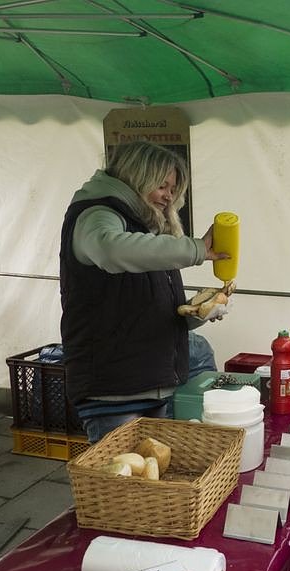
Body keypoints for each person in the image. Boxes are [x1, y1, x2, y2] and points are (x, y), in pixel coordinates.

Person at [59, 141, 228, 443]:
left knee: (154, 487)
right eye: (161, 186)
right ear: (137, 177)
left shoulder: (147, 231)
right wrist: (197, 249)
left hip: (154, 387)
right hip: (113, 394)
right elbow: (110, 249)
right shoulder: (96, 215)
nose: (168, 196)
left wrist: (197, 312)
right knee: (123, 488)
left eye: (173, 189)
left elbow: (148, 311)